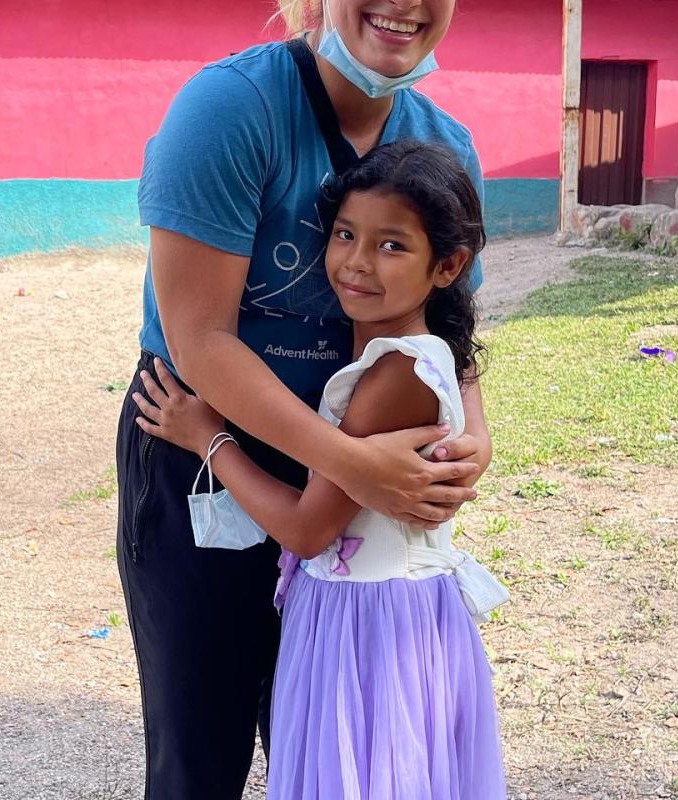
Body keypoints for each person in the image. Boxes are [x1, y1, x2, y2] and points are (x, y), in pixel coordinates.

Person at [116, 1, 492, 796]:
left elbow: (453, 325)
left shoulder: (445, 148)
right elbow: (200, 339)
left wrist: (475, 436)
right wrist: (352, 465)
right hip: (205, 442)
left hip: (356, 465)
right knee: (198, 746)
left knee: (324, 744)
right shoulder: (231, 111)